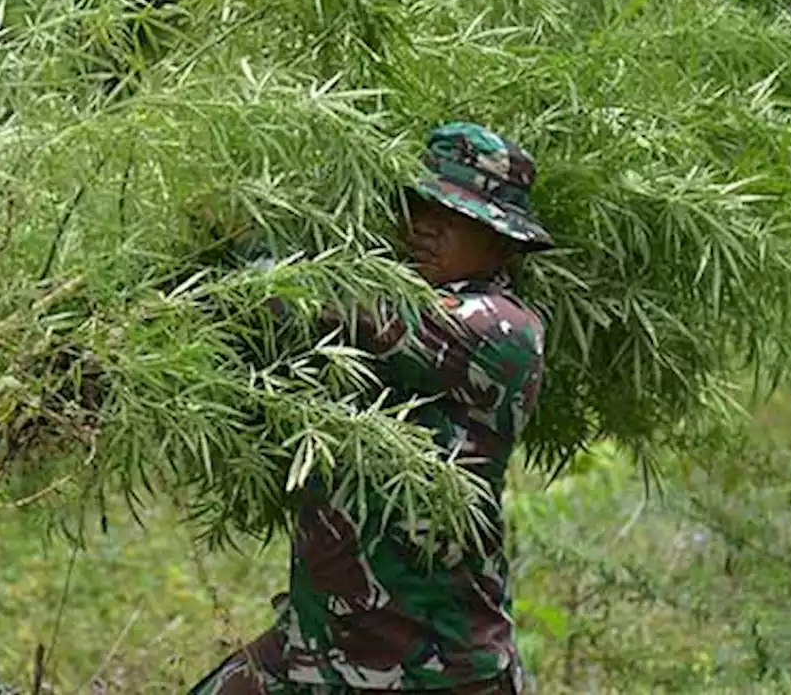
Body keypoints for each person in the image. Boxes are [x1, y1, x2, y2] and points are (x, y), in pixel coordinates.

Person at [188, 121, 556, 695]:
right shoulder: (387, 307)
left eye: (456, 218)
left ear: (502, 238)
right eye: (418, 207)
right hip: (320, 646)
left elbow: (305, 300)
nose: (426, 228)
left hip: (437, 667)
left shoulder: (500, 331)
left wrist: (236, 239)